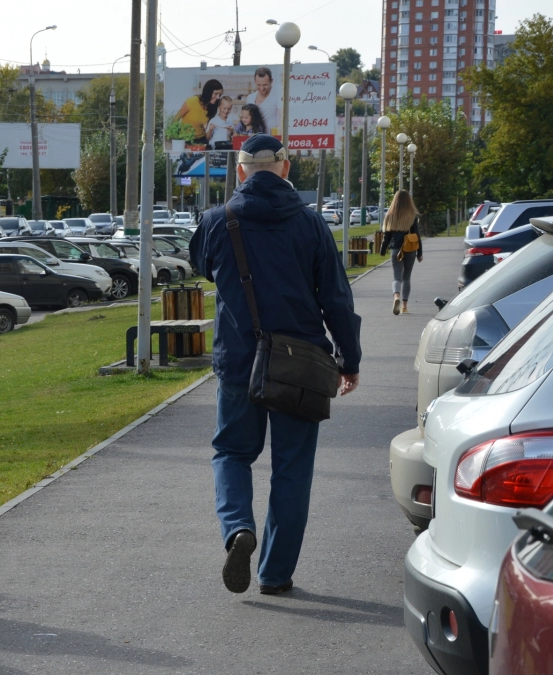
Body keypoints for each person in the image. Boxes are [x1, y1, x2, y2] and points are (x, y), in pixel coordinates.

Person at [187, 134, 362, 596]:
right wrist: (350, 359)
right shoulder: (311, 225)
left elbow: (204, 268)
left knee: (231, 453)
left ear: (240, 171)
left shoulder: (215, 222)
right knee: (292, 468)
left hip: (239, 363)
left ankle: (238, 528)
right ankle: (275, 573)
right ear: (285, 168)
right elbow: (336, 300)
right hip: (300, 367)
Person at [380, 190, 423, 315]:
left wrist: (383, 249)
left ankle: (396, 297)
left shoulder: (390, 215)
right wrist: (420, 252)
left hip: (396, 250)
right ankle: (404, 306)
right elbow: (417, 235)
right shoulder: (412, 215)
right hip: (410, 248)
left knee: (397, 277)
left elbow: (386, 236)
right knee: (407, 277)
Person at [249, 68, 280, 134]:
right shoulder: (250, 98)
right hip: (255, 139)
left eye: (265, 85)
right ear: (255, 81)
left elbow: (282, 121)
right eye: (258, 85)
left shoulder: (278, 96)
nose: (261, 88)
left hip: (273, 139)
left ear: (271, 81)